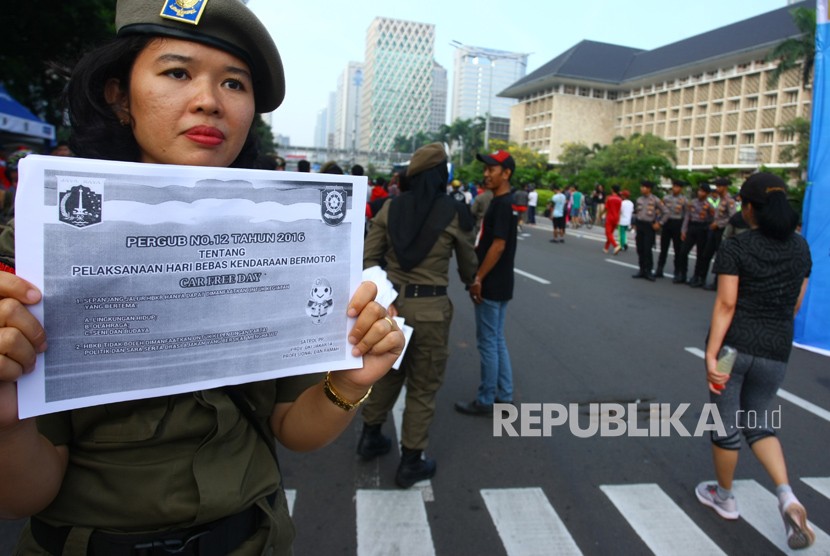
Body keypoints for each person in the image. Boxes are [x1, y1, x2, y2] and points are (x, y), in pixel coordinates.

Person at [1, 2, 403, 554]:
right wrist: (7, 422)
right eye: (177, 72)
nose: (209, 101)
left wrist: (351, 380)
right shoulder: (35, 254)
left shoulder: (296, 245)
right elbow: (24, 494)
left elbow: (294, 427)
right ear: (120, 96)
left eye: (234, 83)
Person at [696, 173, 814, 550]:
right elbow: (795, 304)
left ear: (748, 207)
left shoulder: (737, 247)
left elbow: (727, 304)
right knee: (760, 423)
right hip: (776, 350)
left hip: (734, 350)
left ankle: (725, 497)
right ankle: (787, 497)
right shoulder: (801, 249)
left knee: (725, 421)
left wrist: (712, 353)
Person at [358, 143, 477, 488]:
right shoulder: (455, 213)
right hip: (431, 312)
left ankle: (370, 436)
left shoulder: (390, 208)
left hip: (391, 309)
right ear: (442, 176)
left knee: (385, 375)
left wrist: (384, 296)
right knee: (423, 387)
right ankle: (411, 461)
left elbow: (368, 257)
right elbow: (468, 262)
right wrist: (472, 281)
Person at [455, 150, 517, 416]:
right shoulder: (504, 201)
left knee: (487, 342)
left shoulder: (502, 204)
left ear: (506, 173)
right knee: (497, 339)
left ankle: (486, 399)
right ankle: (505, 394)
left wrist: (478, 278)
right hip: (503, 282)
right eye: (486, 169)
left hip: (491, 283)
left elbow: (498, 246)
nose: (486, 173)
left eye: (492, 169)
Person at [692, 177, 737, 289]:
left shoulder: (729, 201)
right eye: (716, 186)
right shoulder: (719, 199)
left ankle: (717, 283)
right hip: (714, 230)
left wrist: (719, 224)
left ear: (725, 187)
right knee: (706, 255)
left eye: (719, 186)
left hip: (722, 231)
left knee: (719, 257)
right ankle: (701, 279)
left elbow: (733, 217)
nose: (717, 188)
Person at [677, 183, 715, 285]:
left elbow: (712, 218)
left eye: (702, 191)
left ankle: (696, 276)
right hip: (692, 227)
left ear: (707, 194)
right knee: (683, 251)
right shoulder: (692, 202)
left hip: (702, 229)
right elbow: (687, 217)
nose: (700, 193)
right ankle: (682, 274)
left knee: (700, 254)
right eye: (699, 191)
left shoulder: (709, 205)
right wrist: (683, 230)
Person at [631, 180, 665, 281]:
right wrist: (634, 223)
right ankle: (641, 269)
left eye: (644, 187)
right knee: (640, 248)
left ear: (649, 189)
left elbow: (665, 212)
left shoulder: (656, 200)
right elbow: (636, 212)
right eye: (641, 187)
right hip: (640, 225)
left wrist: (659, 223)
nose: (642, 189)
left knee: (647, 249)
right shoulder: (639, 199)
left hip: (649, 226)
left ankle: (648, 271)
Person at [655, 179, 688, 278]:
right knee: (663, 248)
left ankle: (677, 271)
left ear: (681, 189)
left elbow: (686, 215)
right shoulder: (666, 198)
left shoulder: (684, 200)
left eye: (677, 187)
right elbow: (660, 210)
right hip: (667, 223)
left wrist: (684, 229)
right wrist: (659, 221)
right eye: (674, 186)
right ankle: (659, 269)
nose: (675, 188)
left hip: (678, 224)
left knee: (677, 249)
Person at [603, 185, 622, 254]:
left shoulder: (609, 198)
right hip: (616, 218)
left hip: (610, 217)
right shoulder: (620, 199)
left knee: (608, 233)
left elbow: (606, 208)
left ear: (612, 190)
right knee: (610, 233)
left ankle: (616, 245)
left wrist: (601, 214)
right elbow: (619, 210)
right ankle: (606, 248)